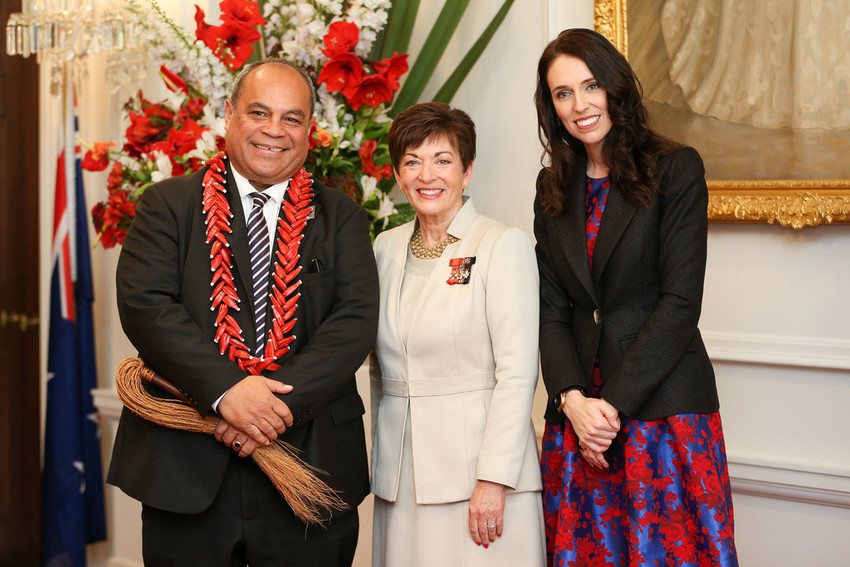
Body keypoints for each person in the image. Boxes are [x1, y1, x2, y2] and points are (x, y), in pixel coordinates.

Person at [107, 58, 378, 566]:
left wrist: (267, 412)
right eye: (259, 113)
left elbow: (355, 320)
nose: (274, 131)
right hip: (185, 467)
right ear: (229, 114)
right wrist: (229, 392)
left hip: (310, 463)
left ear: (310, 131)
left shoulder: (342, 215)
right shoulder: (167, 204)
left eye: (292, 118)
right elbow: (147, 306)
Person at [533, 29, 738, 566]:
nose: (579, 105)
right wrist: (572, 401)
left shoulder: (676, 167)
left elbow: (679, 302)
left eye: (591, 85)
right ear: (550, 106)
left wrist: (610, 408)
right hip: (578, 423)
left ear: (616, 87)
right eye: (562, 93)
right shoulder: (552, 185)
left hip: (660, 410)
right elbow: (552, 307)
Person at [369, 102, 546, 566]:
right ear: (398, 173)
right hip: (400, 477)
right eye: (412, 161)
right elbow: (378, 369)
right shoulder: (384, 247)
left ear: (467, 171)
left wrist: (493, 478)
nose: (427, 175)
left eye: (442, 160)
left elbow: (518, 371)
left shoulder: (501, 245)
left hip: (476, 479)